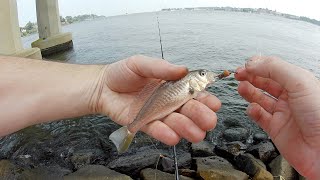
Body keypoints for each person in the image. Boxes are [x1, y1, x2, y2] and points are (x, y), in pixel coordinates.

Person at [0, 55, 319, 179]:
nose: (205, 78)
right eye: (203, 74)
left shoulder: (193, 87)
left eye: (205, 74)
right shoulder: (191, 86)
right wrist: (101, 88)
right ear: (197, 80)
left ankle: (128, 131)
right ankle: (129, 131)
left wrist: (99, 88)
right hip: (148, 109)